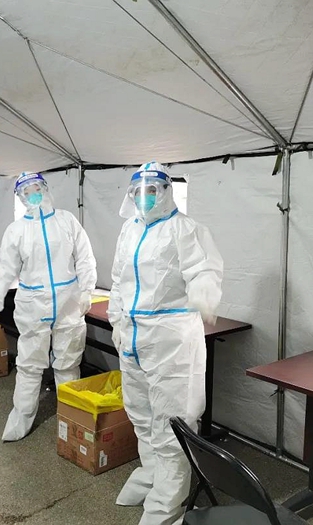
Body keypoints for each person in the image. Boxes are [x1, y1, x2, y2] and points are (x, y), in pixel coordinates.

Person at [108, 162, 223, 525]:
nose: (145, 197)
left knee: (171, 424)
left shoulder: (185, 229)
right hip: (134, 336)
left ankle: (166, 506)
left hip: (171, 339)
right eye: (138, 192)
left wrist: (205, 294)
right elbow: (118, 279)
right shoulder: (129, 229)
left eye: (152, 190)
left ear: (166, 191)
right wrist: (116, 319)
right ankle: (151, 477)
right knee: (141, 415)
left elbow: (204, 269)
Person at [0, 172, 97, 442]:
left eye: (36, 188)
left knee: (68, 364)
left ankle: (71, 421)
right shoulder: (17, 230)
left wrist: (87, 289)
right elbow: (5, 270)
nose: (32, 194)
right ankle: (20, 421)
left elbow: (85, 257)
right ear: (20, 198)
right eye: (26, 192)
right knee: (29, 367)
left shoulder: (66, 220)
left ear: (45, 188)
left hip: (68, 302)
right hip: (33, 305)